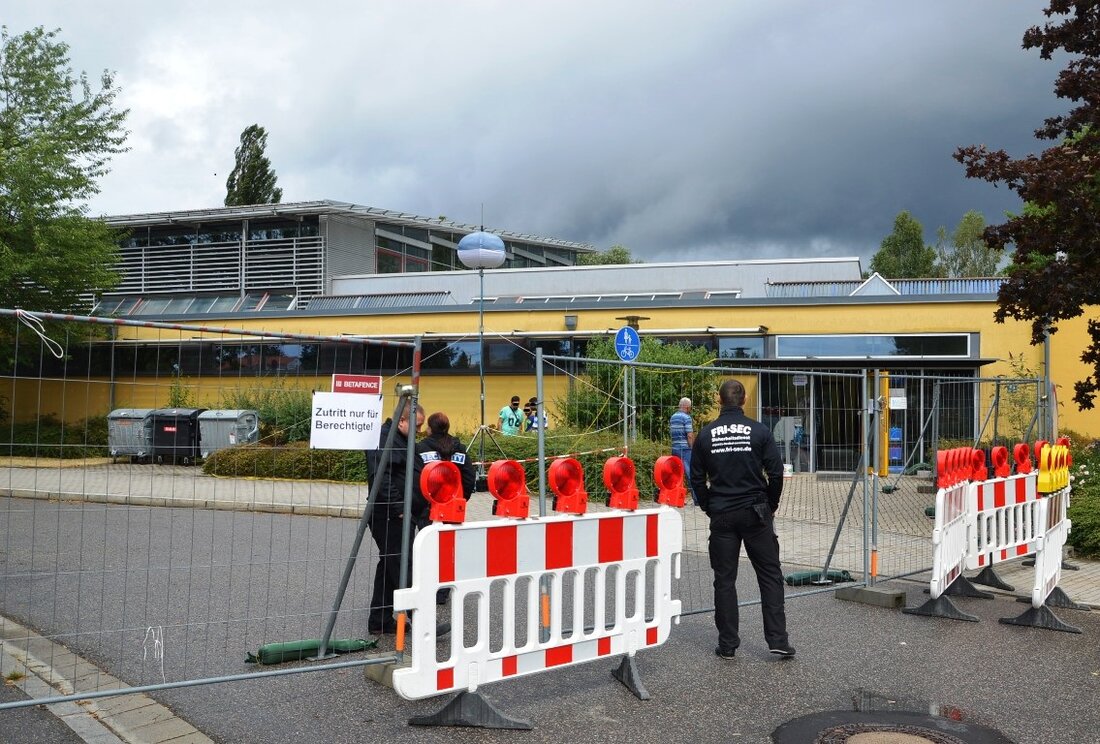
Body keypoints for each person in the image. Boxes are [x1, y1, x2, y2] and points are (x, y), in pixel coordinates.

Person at [690, 379, 794, 660]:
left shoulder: (706, 435)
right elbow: (776, 473)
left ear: (719, 400)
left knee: (724, 580)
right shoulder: (759, 431)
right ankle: (778, 641)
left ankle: (727, 645)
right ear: (744, 399)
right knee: (770, 576)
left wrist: (708, 506)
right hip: (756, 513)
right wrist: (770, 504)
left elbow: (696, 478)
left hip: (722, 514)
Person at [364, 402, 424, 635]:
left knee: (389, 564)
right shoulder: (383, 440)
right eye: (417, 425)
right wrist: (400, 507)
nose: (419, 431)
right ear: (402, 421)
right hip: (389, 514)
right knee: (401, 565)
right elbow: (382, 478)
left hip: (400, 514)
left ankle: (379, 620)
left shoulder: (400, 439)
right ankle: (420, 618)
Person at [670, 397, 697, 506]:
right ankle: (696, 499)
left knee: (677, 475)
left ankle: (677, 499)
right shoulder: (686, 417)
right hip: (685, 449)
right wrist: (693, 448)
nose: (690, 408)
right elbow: (689, 435)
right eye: (689, 406)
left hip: (675, 448)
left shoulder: (673, 417)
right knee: (690, 473)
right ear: (686, 406)